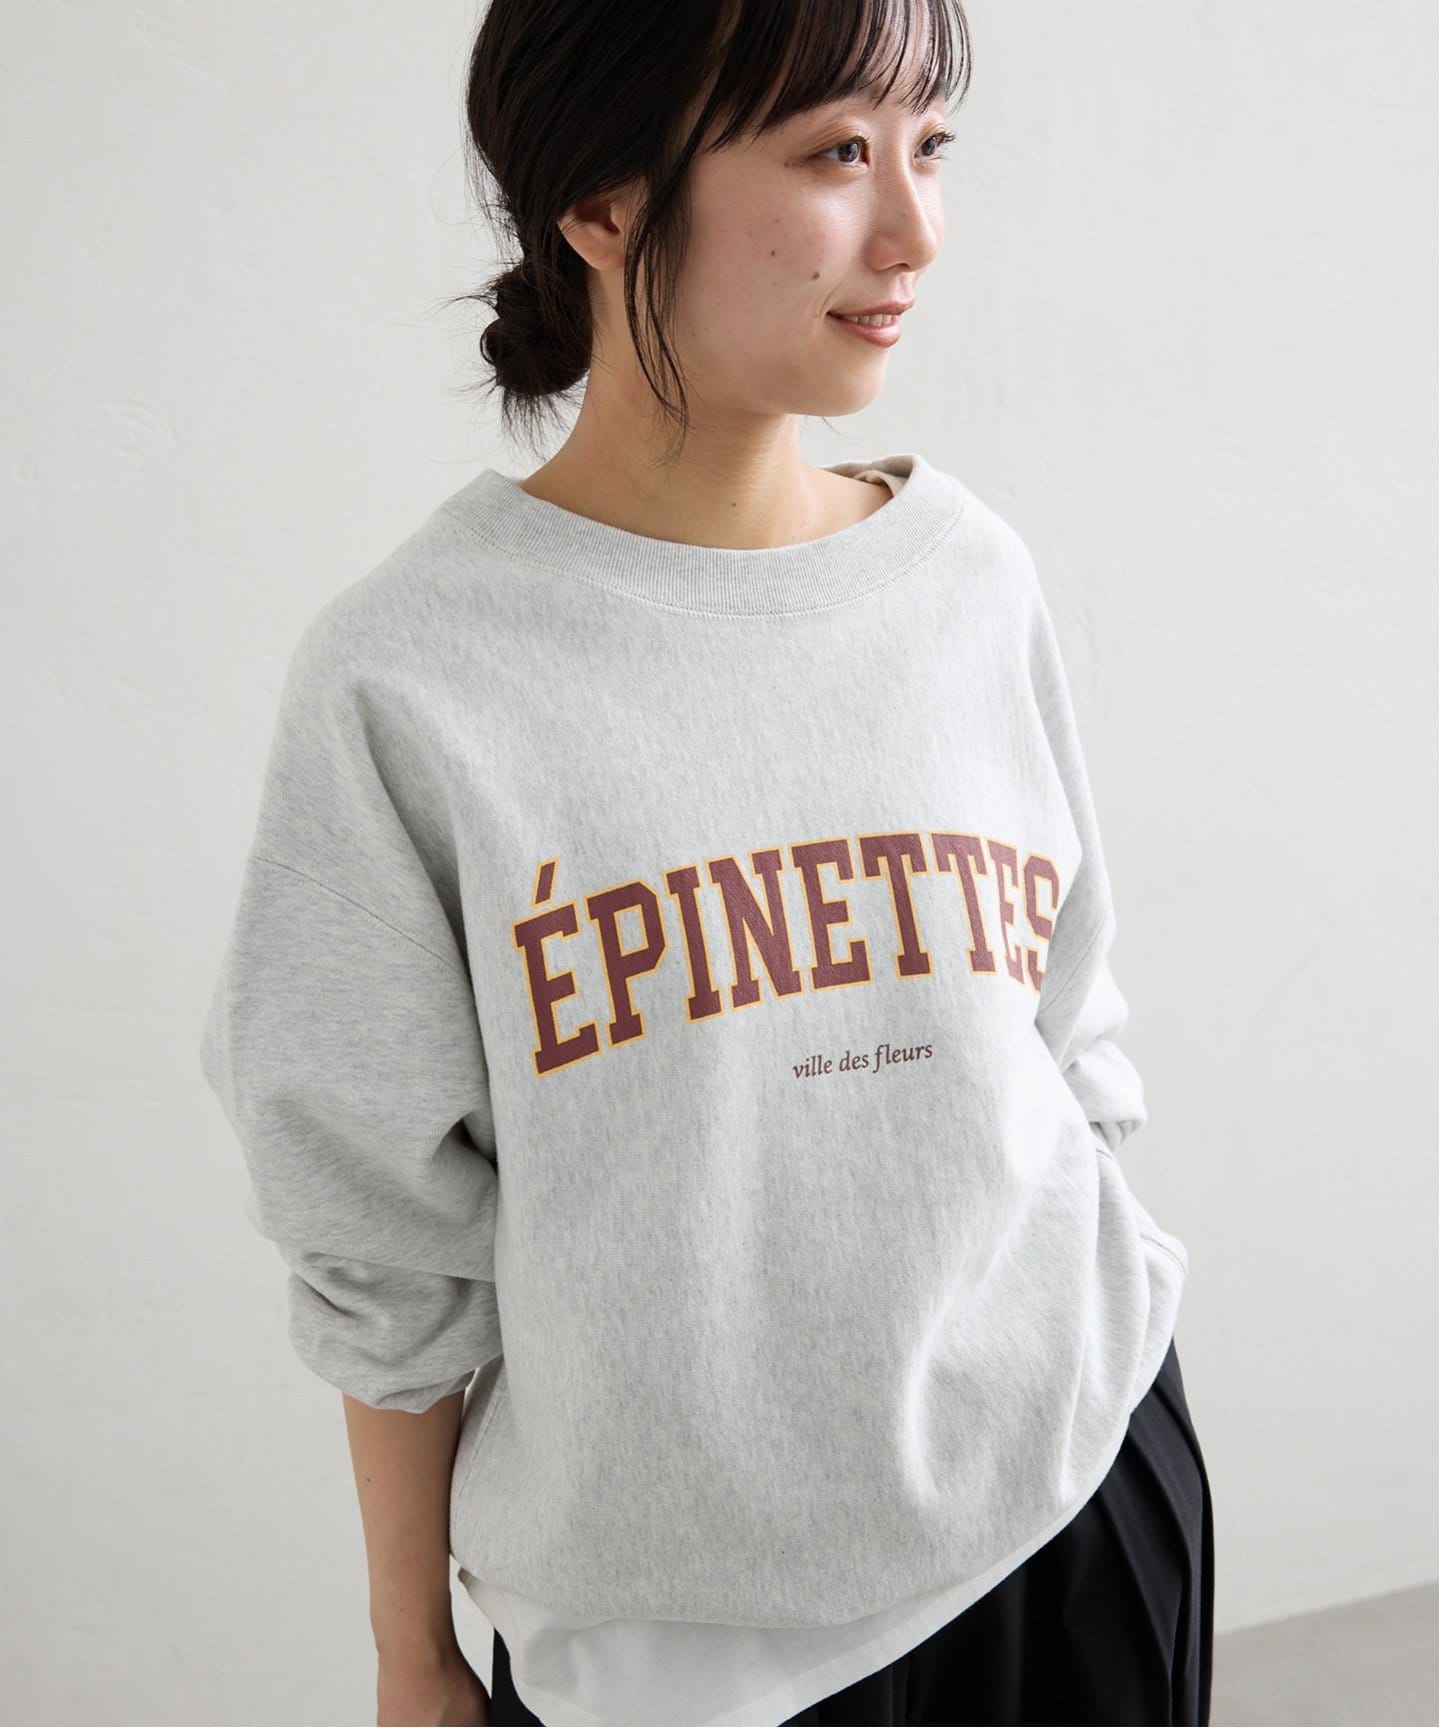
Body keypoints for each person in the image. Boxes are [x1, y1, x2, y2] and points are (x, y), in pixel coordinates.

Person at [198, 0, 1215, 1723]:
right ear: (603, 205)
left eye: (929, 146)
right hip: (681, 1650)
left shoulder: (966, 577)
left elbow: (1063, 1037)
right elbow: (381, 1243)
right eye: (837, 152)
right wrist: (411, 1650)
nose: (914, 229)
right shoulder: (410, 681)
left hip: (1080, 1498)